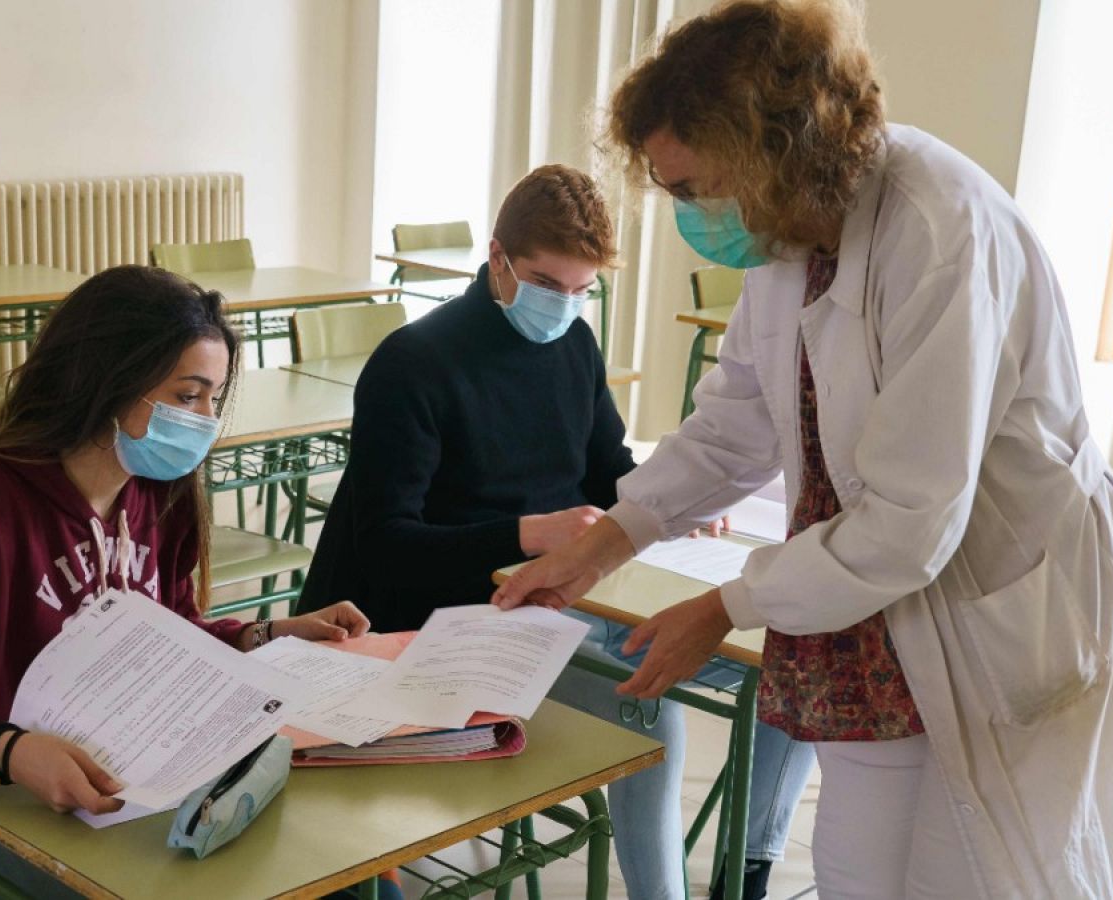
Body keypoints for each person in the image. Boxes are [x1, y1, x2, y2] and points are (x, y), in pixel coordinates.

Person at [493, 2, 1113, 897]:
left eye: (695, 187)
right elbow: (734, 422)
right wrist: (603, 545)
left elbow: (910, 519)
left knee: (977, 872)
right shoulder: (790, 233)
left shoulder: (940, 229)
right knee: (857, 866)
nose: (693, 213)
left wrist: (725, 605)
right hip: (871, 615)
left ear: (773, 150)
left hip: (989, 601)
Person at [299, 164, 814, 900]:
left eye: (581, 290)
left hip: (563, 597)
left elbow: (608, 470)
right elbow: (385, 549)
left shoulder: (572, 342)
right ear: (498, 259)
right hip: (455, 619)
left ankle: (749, 871)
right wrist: (527, 533)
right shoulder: (412, 364)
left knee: (795, 652)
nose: (564, 305)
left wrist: (684, 499)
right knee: (648, 704)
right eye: (546, 283)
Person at [0, 266, 371, 898]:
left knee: (340, 880)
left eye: (213, 399)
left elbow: (168, 641)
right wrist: (10, 750)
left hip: (79, 796)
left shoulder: (159, 493)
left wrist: (267, 635)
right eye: (187, 396)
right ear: (106, 380)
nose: (205, 421)